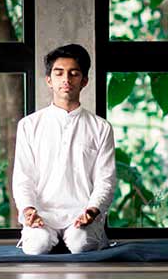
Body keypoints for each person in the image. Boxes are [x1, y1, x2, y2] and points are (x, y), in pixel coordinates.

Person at [12, 44, 116, 254]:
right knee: (37, 247)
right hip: (43, 216)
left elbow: (105, 180)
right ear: (49, 80)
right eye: (59, 73)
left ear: (84, 80)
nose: (66, 80)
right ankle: (47, 238)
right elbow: (23, 177)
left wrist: (92, 211)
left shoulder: (100, 127)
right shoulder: (29, 125)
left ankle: (75, 237)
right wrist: (29, 209)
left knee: (80, 245)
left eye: (74, 73)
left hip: (82, 216)